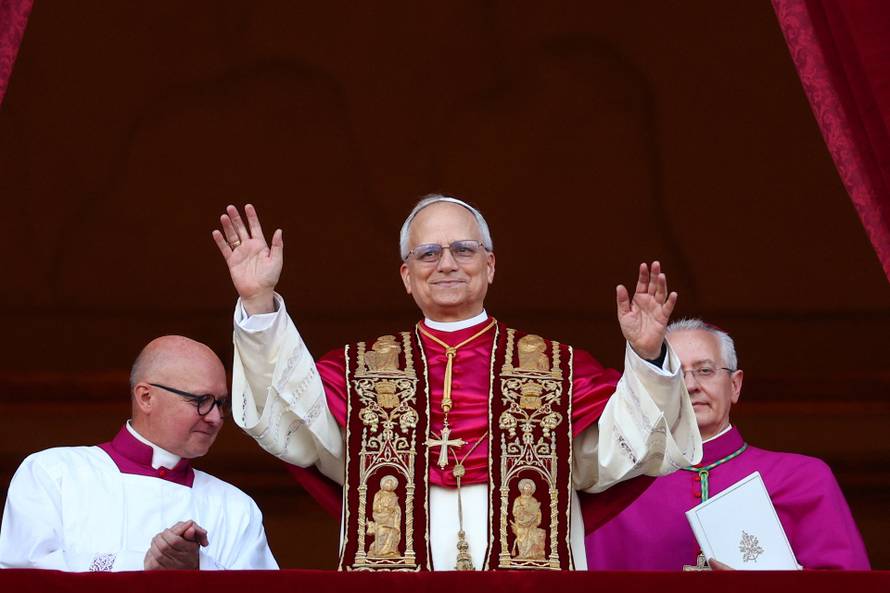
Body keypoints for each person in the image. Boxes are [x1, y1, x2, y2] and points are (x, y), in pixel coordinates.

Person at [211, 195, 702, 571]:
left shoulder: (557, 368)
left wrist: (647, 355)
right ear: (406, 275)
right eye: (428, 253)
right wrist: (259, 304)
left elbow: (618, 453)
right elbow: (292, 422)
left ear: (490, 265)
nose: (447, 263)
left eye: (464, 249)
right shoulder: (360, 372)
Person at [585, 318, 870, 570]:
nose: (691, 385)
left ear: (735, 385)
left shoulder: (803, 478)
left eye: (705, 370)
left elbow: (849, 586)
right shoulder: (616, 487)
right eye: (675, 374)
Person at [0, 336, 278, 571]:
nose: (216, 418)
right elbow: (26, 574)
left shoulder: (237, 507)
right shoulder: (53, 473)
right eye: (202, 401)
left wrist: (198, 569)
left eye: (221, 403)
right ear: (146, 397)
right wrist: (141, 563)